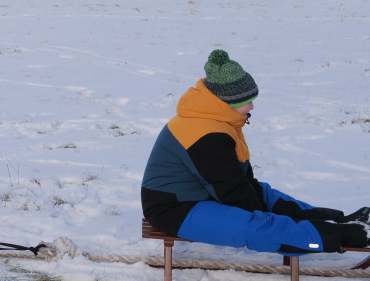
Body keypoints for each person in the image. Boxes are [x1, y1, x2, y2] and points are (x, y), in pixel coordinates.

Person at [142, 50, 370, 255]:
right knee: (254, 227)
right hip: (175, 208)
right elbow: (233, 193)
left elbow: (240, 181)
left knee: (267, 195)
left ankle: (340, 221)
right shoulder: (205, 133)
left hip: (203, 193)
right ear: (228, 101)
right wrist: (270, 218)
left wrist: (271, 206)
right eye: (248, 101)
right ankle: (343, 235)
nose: (252, 107)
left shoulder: (219, 119)